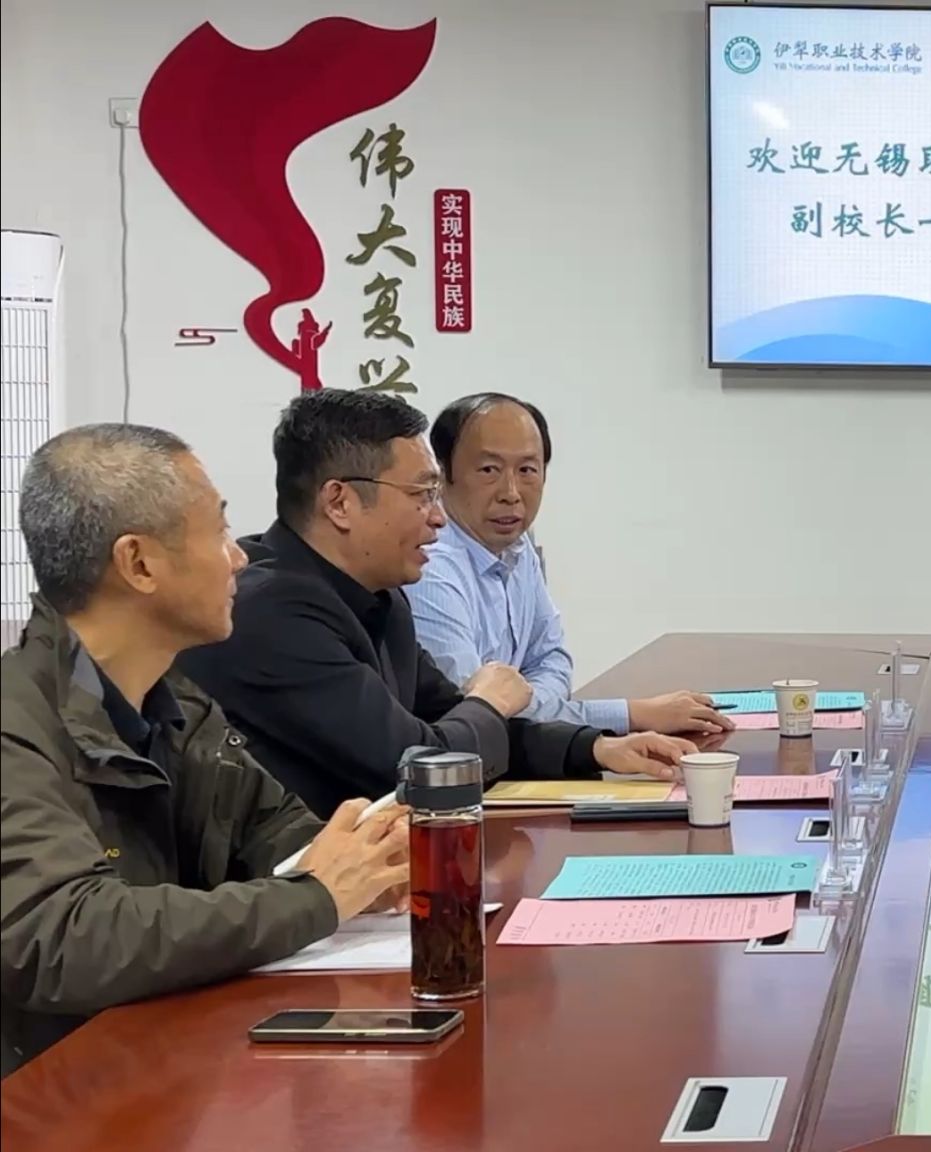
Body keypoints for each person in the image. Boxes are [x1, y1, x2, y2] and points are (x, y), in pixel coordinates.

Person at [2, 425, 409, 1075]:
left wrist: (370, 856)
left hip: (176, 1062)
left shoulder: (178, 704)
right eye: (218, 531)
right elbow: (66, 936)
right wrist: (318, 896)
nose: (239, 558)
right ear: (138, 564)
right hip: (59, 1091)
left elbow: (274, 831)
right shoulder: (15, 726)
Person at [179, 390, 696, 818]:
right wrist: (488, 702)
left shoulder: (380, 593)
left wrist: (595, 747)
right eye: (422, 495)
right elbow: (416, 767)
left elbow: (448, 718)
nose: (438, 518)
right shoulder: (274, 611)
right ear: (339, 503)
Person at [407, 393, 732, 737]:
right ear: (442, 475)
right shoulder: (429, 567)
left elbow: (552, 660)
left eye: (527, 470)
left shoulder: (517, 545)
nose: (511, 493)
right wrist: (632, 714)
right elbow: (477, 708)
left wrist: (527, 705)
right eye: (489, 470)